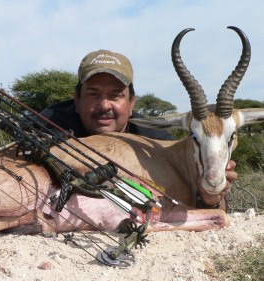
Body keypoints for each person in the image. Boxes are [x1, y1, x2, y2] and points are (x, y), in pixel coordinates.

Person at [41, 49, 237, 210]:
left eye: (116, 95)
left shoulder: (154, 139)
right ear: (76, 99)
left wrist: (211, 198)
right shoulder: (50, 123)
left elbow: (209, 207)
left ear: (132, 102)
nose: (104, 105)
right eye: (93, 94)